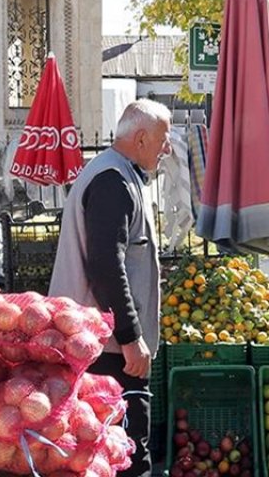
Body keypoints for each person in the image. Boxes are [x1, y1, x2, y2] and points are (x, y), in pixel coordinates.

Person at [49, 99, 172, 477]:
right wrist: (131, 336)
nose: (167, 149)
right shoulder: (112, 181)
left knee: (114, 448)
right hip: (106, 347)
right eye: (163, 139)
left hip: (103, 340)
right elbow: (105, 266)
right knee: (123, 448)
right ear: (140, 138)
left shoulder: (120, 174)